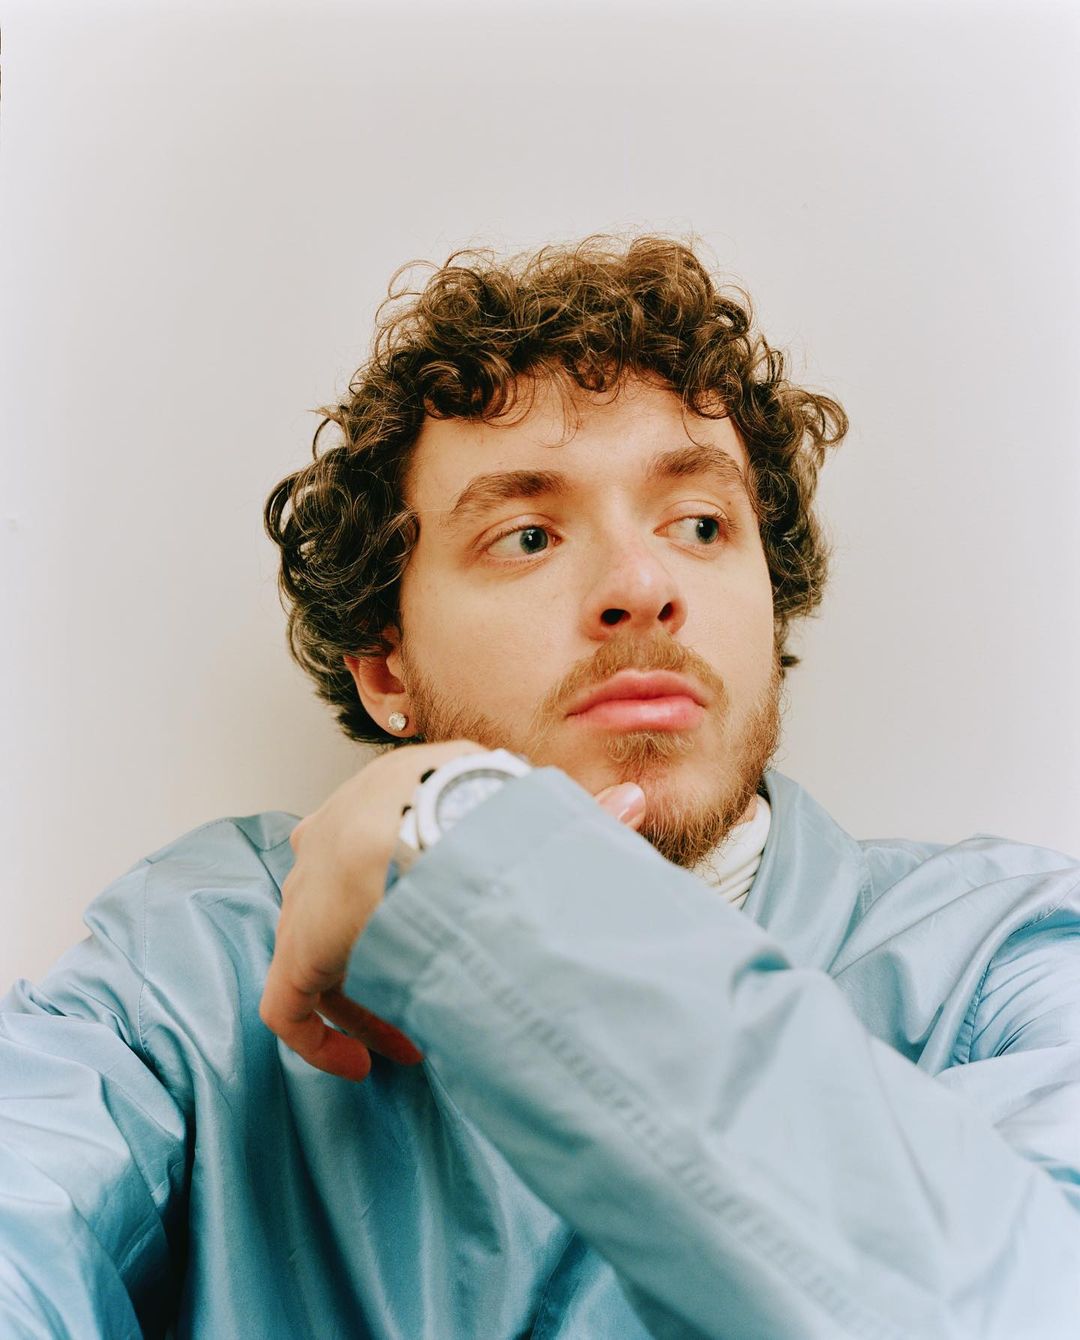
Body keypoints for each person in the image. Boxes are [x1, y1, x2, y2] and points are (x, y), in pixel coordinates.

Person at [2, 237, 1077, 1339]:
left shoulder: (1003, 956)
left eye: (700, 524)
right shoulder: (196, 961)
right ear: (385, 669)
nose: (643, 585)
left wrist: (481, 869)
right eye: (527, 536)